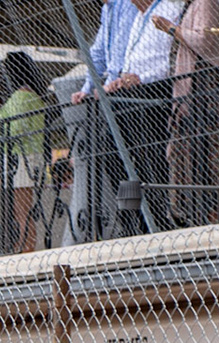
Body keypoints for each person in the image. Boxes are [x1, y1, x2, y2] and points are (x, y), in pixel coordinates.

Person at [73, 0, 185, 237]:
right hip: (118, 92)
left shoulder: (135, 7)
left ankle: (153, 220)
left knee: (147, 159)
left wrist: (128, 79)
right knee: (117, 159)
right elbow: (99, 53)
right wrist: (90, 85)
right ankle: (133, 217)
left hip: (143, 91)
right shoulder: (111, 9)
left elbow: (160, 56)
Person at [156, 0, 219, 225]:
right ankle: (195, 217)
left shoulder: (205, 3)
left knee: (211, 161)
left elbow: (205, 40)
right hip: (192, 101)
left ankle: (216, 215)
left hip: (207, 95)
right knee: (189, 160)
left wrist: (171, 28)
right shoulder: (190, 7)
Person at [0, 51, 50, 254]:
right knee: (23, 207)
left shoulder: (20, 97)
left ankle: (27, 247)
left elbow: (13, 129)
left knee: (21, 209)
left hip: (20, 158)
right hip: (31, 156)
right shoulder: (34, 96)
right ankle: (26, 244)